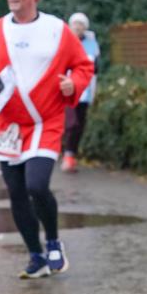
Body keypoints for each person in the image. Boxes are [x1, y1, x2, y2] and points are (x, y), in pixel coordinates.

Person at [0, 0, 94, 279]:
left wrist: (72, 84)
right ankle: (35, 255)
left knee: (37, 185)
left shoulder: (56, 29)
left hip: (45, 120)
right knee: (16, 191)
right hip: (8, 125)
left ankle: (52, 242)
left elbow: (82, 65)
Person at [61, 12, 100, 173]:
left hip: (85, 91)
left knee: (80, 124)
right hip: (66, 90)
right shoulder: (64, 42)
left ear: (85, 27)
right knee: (72, 122)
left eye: (81, 24)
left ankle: (70, 153)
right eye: (75, 24)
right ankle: (66, 154)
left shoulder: (92, 44)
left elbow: (96, 68)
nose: (77, 27)